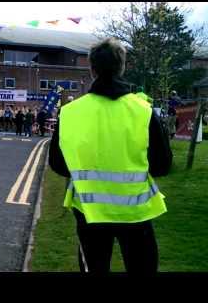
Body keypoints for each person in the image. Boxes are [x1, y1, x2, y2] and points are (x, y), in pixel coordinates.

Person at [49, 37, 173, 274]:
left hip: (89, 211)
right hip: (136, 212)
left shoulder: (70, 113)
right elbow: (162, 165)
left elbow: (58, 163)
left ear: (91, 68)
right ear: (122, 67)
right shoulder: (143, 112)